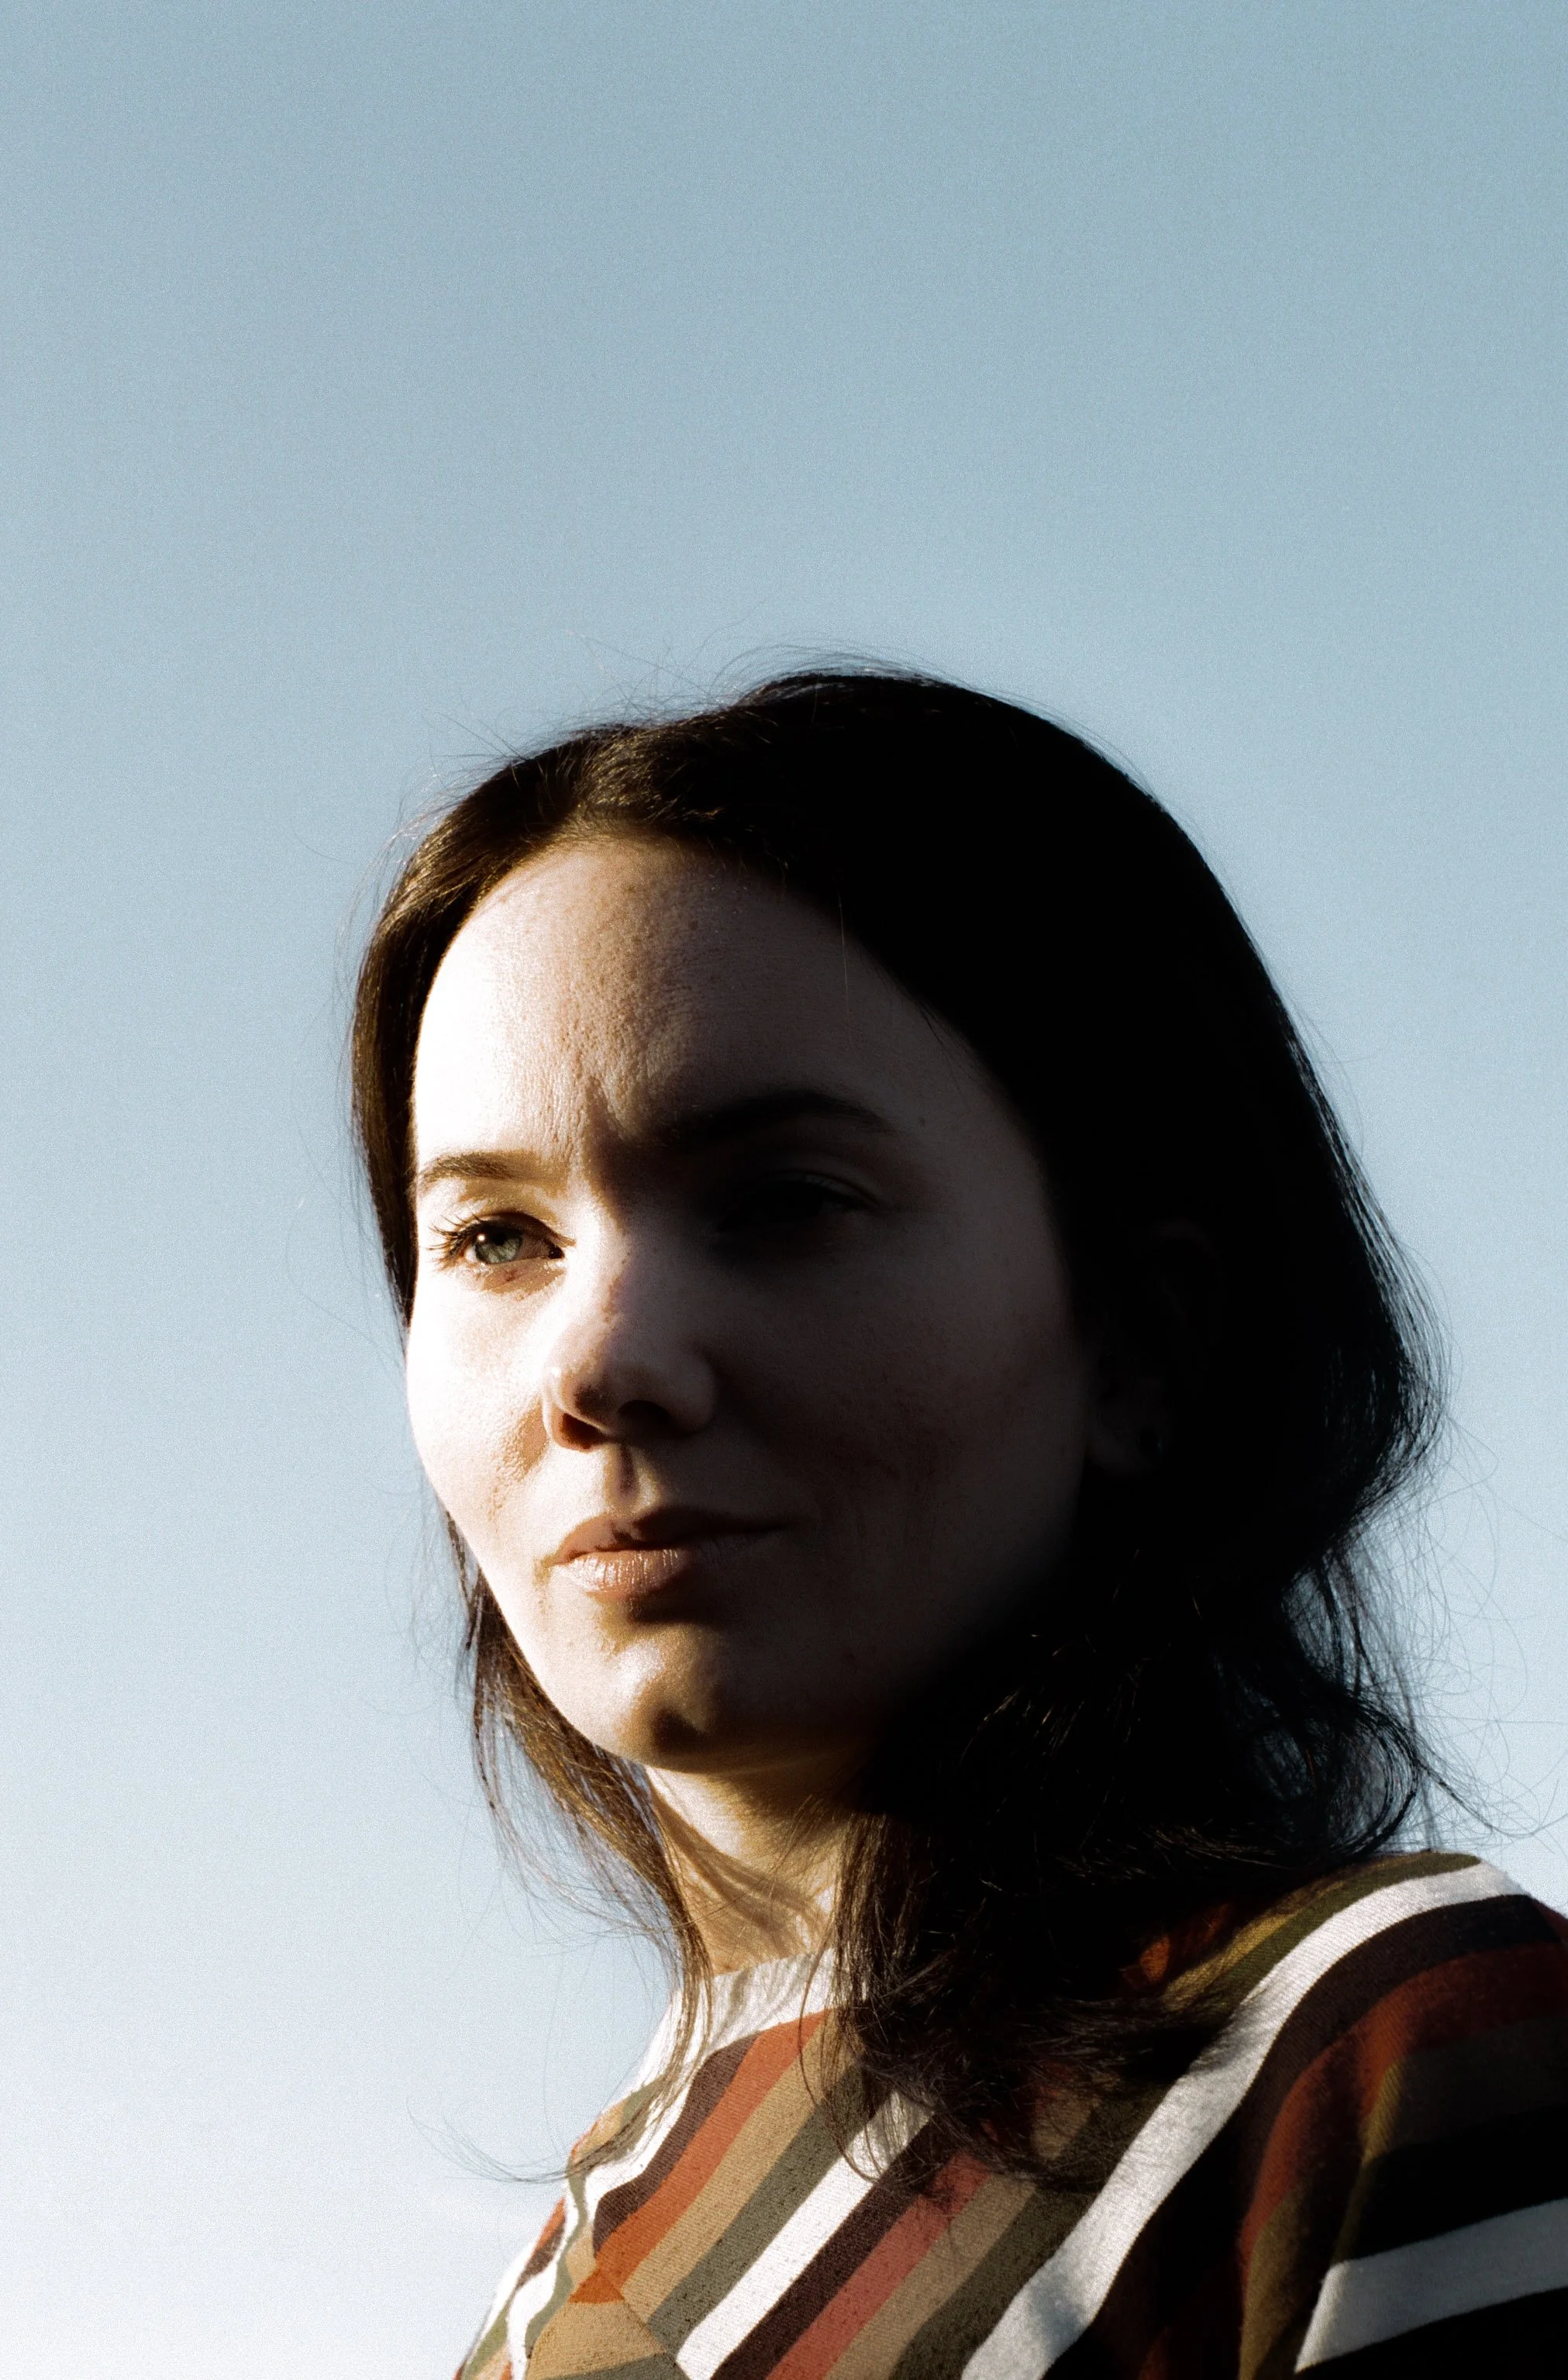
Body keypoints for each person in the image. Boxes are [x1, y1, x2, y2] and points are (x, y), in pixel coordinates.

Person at [351, 672, 1568, 2378]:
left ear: (1140, 1346)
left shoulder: (1395, 2060)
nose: (604, 1359)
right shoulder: (543, 2310)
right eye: (493, 1236)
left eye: (784, 1200)